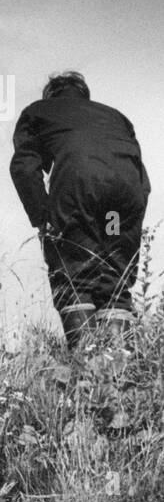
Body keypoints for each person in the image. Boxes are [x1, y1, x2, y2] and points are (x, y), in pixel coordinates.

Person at [10, 71, 150, 348]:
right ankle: (116, 373)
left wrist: (42, 216)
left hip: (80, 190)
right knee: (114, 275)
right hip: (119, 206)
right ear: (84, 95)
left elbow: (24, 167)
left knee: (74, 277)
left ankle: (86, 368)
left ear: (51, 94)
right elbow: (138, 169)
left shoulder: (38, 111)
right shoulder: (115, 116)